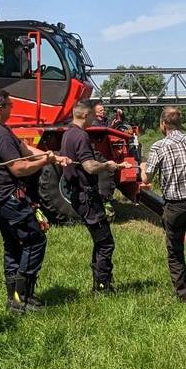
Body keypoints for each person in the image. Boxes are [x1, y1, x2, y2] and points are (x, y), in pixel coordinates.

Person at [0, 89, 70, 314]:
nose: (13, 107)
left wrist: (51, 156)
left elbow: (24, 149)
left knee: (12, 245)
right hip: (8, 198)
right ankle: (24, 296)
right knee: (35, 240)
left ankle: (14, 298)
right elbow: (19, 168)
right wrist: (44, 163)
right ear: (1, 108)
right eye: (10, 105)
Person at [60, 100, 130, 293]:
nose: (94, 119)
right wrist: (107, 165)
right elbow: (89, 166)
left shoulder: (68, 133)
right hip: (87, 197)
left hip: (79, 195)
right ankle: (102, 286)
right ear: (84, 115)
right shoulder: (81, 136)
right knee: (106, 242)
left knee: (100, 240)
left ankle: (99, 283)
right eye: (92, 115)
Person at [141, 106, 186, 303]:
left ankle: (182, 293)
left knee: (175, 250)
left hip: (175, 205)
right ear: (179, 123)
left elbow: (147, 178)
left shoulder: (158, 146)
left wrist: (144, 166)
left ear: (163, 124)